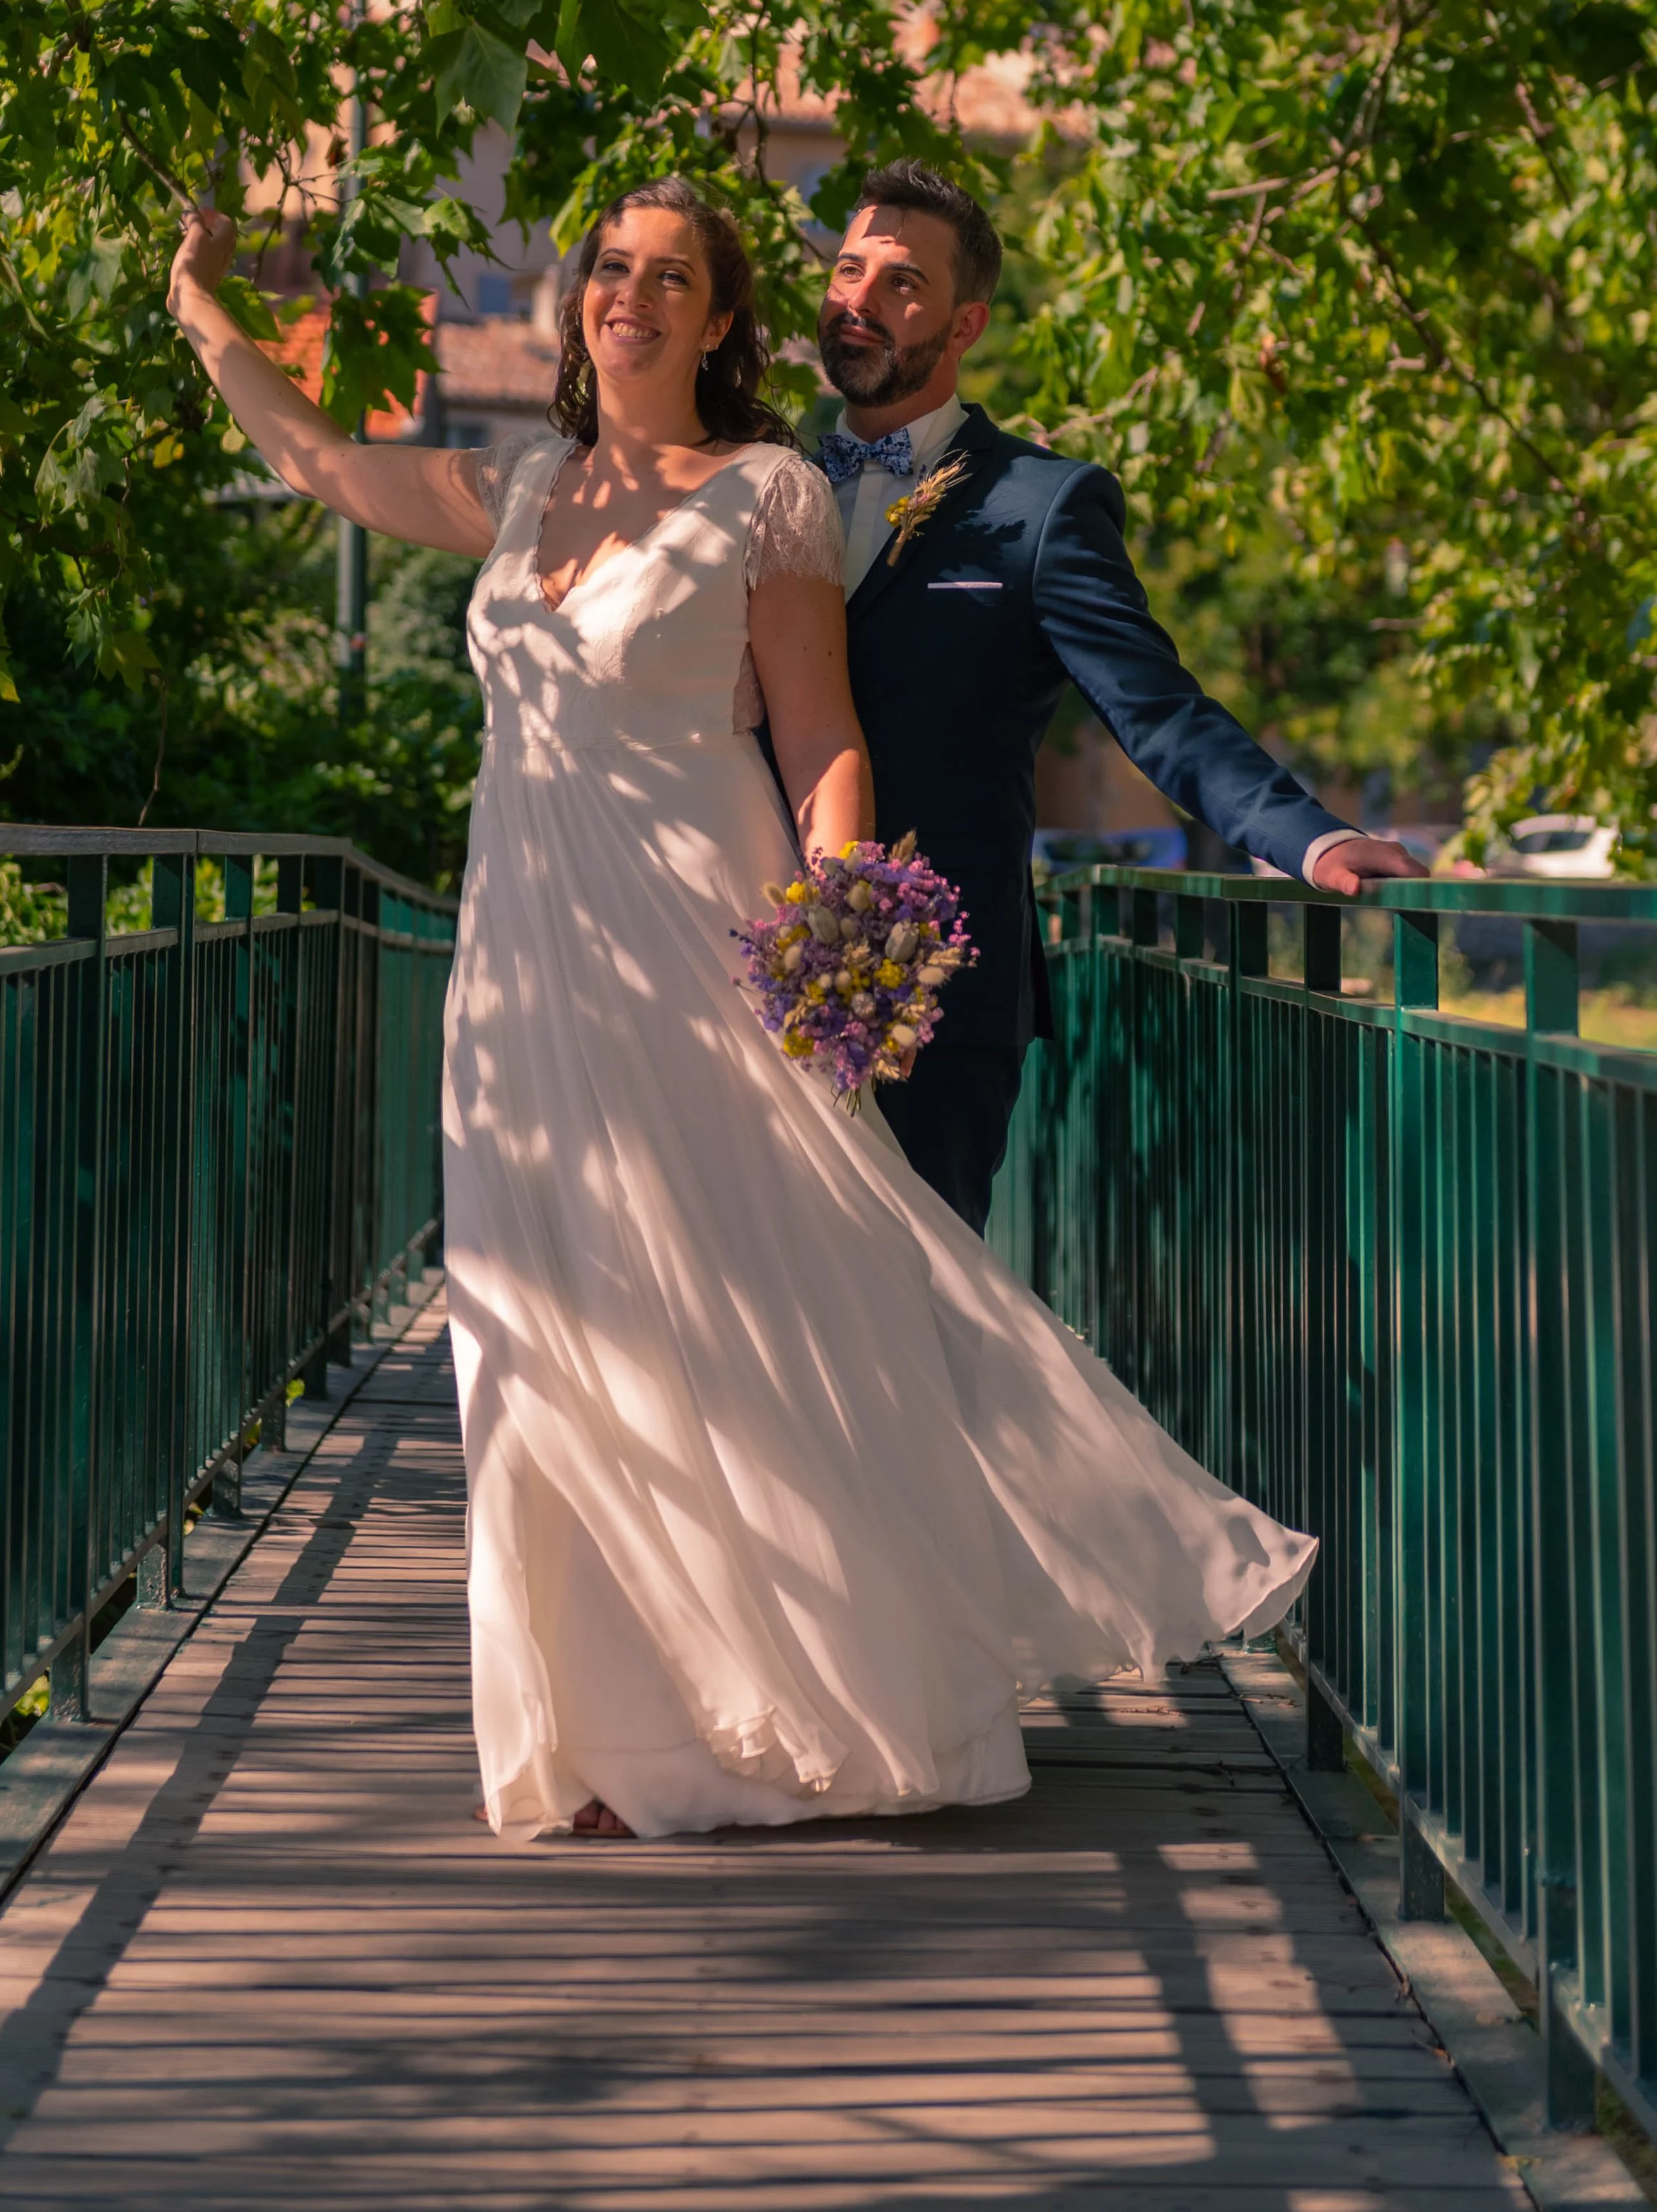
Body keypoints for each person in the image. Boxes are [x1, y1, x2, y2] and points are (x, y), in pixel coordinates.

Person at [168, 178, 1314, 1846]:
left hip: (699, 954)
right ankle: (590, 1727)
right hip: (519, 981)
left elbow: (822, 740)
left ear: (718, 319)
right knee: (535, 1331)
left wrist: (840, 950)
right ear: (580, 303)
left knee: (741, 1320)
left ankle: (783, 1705)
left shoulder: (768, 496)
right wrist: (204, 307)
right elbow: (314, 458)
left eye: (672, 274)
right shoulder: (513, 486)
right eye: (610, 268)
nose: (631, 292)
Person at [817, 161, 1426, 1233]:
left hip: (935, 999)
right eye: (849, 268)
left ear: (965, 327)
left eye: (902, 283)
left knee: (907, 1336)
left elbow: (1155, 708)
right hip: (741, 966)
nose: (859, 299)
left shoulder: (1042, 507)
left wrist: (1310, 839)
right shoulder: (760, 480)